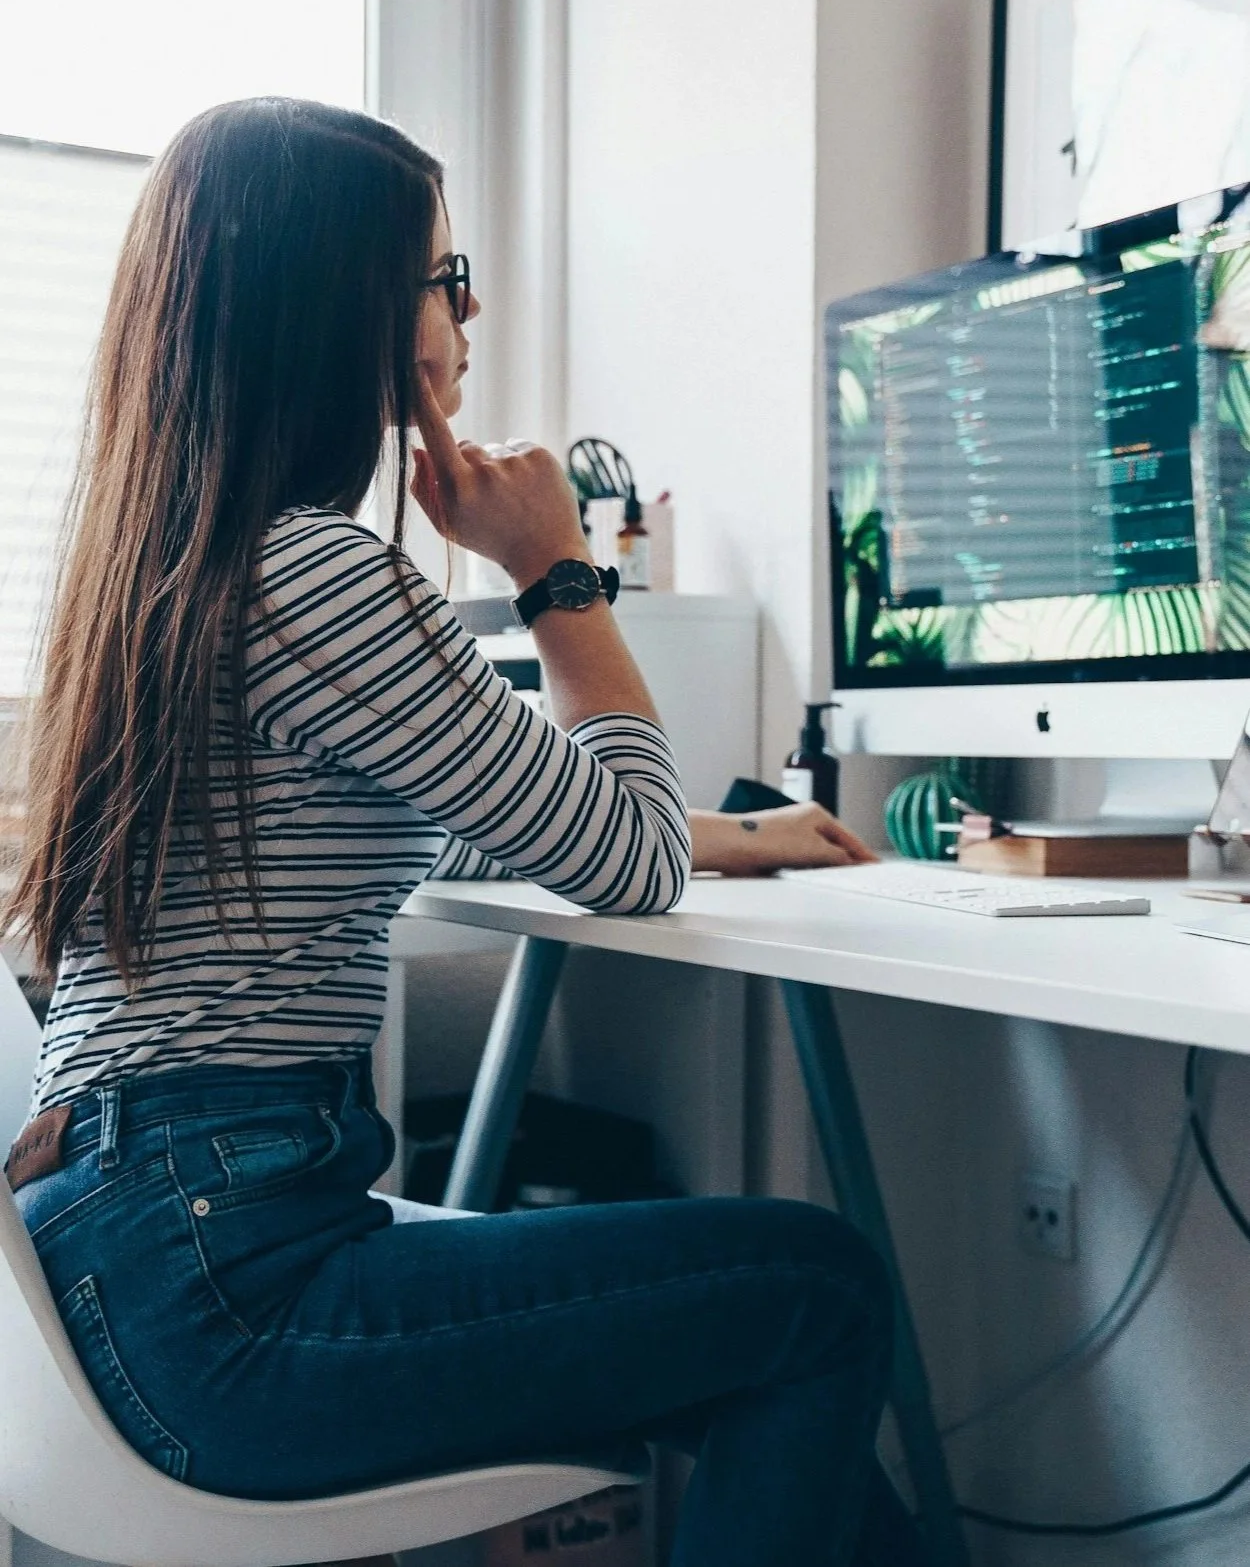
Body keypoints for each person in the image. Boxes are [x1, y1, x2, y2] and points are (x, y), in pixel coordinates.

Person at [2, 99, 929, 1567]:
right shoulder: (317, 573)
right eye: (445, 271)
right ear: (350, 301)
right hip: (225, 1292)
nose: (470, 306)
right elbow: (620, 864)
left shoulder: (179, 564)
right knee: (812, 1290)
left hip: (134, 1259)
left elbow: (445, 815)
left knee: (754, 1318)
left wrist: (720, 832)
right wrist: (556, 569)